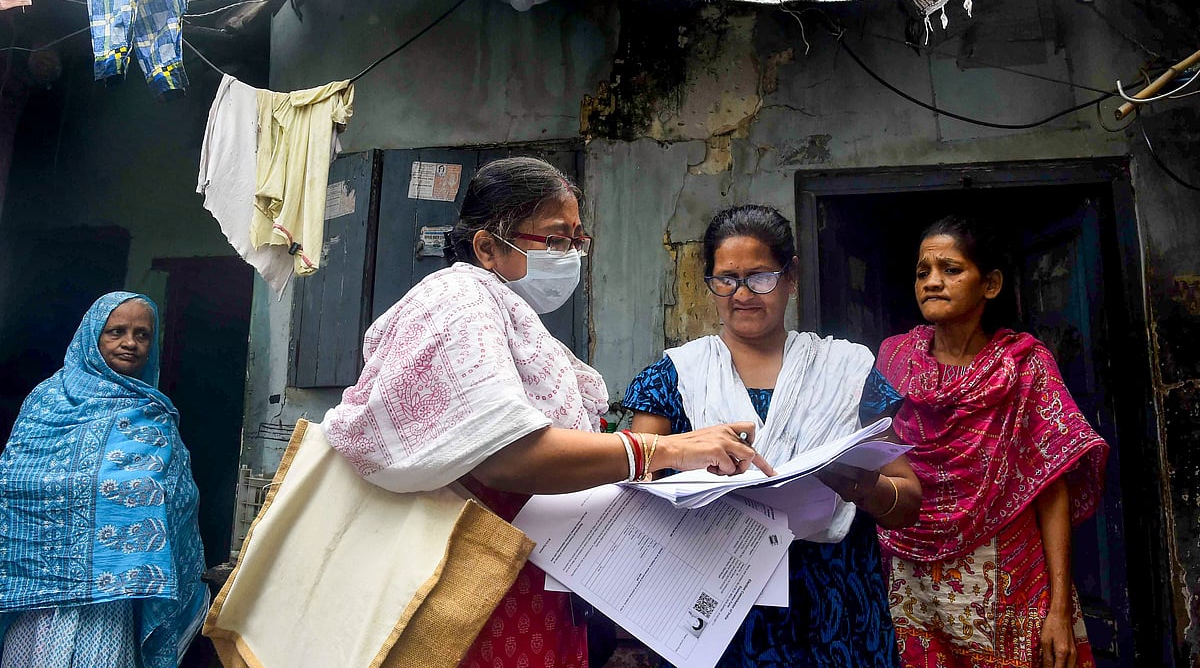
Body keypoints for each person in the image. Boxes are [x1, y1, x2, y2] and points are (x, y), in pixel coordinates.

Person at [318, 157, 771, 668]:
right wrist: (663, 449)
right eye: (555, 240)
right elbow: (506, 453)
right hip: (474, 590)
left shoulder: (505, 313)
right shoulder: (458, 301)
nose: (571, 255)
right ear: (487, 247)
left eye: (577, 240)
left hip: (526, 578)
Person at [623, 204, 922, 668]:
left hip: (834, 606)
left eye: (760, 276)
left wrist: (867, 488)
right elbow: (636, 493)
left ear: (791, 276)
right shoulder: (674, 377)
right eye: (726, 279)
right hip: (715, 601)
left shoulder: (846, 372)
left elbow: (909, 499)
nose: (742, 294)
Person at [876, 215, 1109, 668]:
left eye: (951, 269)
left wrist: (1059, 608)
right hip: (911, 575)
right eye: (923, 272)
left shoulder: (1024, 367)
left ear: (991, 283)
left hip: (1009, 579)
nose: (932, 282)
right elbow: (874, 459)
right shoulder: (895, 361)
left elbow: (1051, 487)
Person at [0, 292, 207, 667]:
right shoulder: (46, 400)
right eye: (117, 331)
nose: (130, 342)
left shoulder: (153, 414)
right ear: (92, 336)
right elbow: (13, 483)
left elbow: (177, 500)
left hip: (111, 603)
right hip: (36, 596)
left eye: (142, 334)